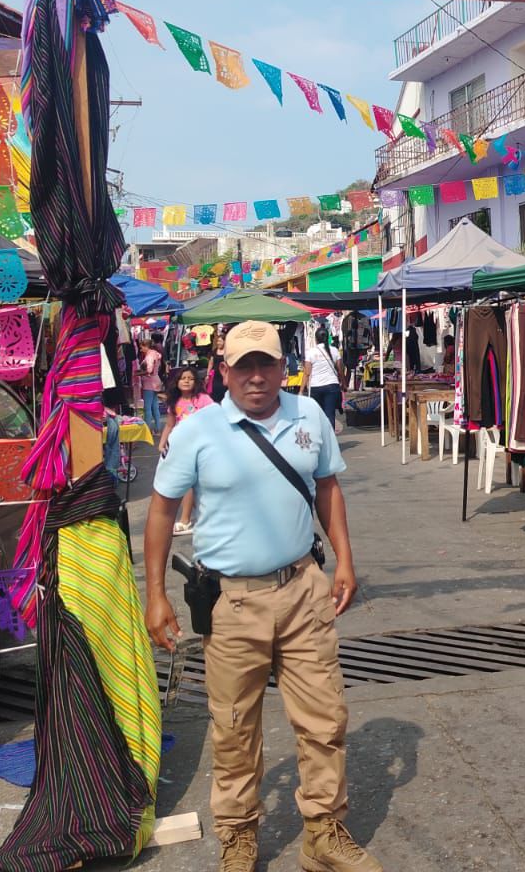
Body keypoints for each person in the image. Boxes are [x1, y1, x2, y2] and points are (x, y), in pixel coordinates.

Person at [143, 320, 381, 872]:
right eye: (243, 366)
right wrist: (155, 595)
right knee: (234, 727)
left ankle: (323, 834)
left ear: (283, 367)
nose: (255, 377)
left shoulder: (310, 416)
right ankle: (238, 837)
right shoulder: (197, 430)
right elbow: (160, 509)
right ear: (222, 371)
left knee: (325, 720)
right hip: (231, 605)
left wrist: (344, 560)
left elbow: (327, 487)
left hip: (302, 590)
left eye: (266, 364)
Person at [159, 366, 215, 535]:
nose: (186, 381)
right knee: (190, 483)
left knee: (195, 484)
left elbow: (215, 418)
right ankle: (194, 519)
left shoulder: (203, 399)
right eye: (183, 378)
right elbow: (169, 424)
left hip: (201, 447)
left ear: (196, 381)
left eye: (190, 378)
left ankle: (186, 520)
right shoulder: (174, 402)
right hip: (180, 448)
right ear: (176, 382)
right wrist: (162, 443)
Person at [302, 331, 346, 429]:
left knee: (316, 415)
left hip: (315, 387)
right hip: (332, 386)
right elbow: (340, 370)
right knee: (330, 415)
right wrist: (344, 383)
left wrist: (301, 391)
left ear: (316, 339)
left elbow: (307, 373)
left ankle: (319, 440)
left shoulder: (311, 352)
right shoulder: (335, 350)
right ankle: (330, 441)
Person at [138, 335, 165, 434]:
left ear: (146, 346)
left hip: (149, 383)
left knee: (147, 408)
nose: (141, 349)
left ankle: (147, 430)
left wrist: (138, 373)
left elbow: (149, 370)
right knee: (155, 406)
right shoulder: (156, 354)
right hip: (156, 381)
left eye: (141, 347)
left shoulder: (149, 356)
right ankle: (158, 428)